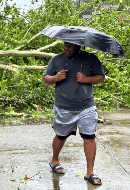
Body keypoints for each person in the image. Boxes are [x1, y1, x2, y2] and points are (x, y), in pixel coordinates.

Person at [43, 42, 105, 185]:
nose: (66, 48)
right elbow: (46, 79)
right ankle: (54, 160)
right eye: (65, 45)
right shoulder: (56, 60)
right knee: (61, 136)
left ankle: (90, 173)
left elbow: (101, 78)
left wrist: (87, 79)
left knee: (89, 137)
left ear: (79, 45)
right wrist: (55, 78)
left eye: (70, 46)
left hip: (86, 106)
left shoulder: (90, 59)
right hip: (63, 106)